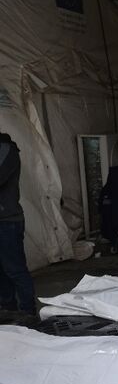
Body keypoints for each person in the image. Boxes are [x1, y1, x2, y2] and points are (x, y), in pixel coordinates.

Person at [0, 132, 36, 315]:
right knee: (2, 270)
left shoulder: (6, 149)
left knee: (15, 269)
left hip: (7, 221)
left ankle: (28, 311)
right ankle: (7, 306)